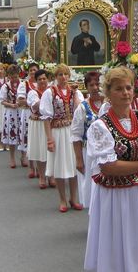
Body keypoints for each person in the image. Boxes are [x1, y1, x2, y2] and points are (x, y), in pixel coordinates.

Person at [84, 66, 138, 272]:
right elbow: (108, 167)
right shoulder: (100, 126)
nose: (126, 93)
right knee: (120, 246)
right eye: (119, 89)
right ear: (108, 94)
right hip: (117, 197)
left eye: (129, 88)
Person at [40, 64, 84, 212]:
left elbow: (79, 111)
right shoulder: (49, 92)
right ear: (55, 77)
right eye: (60, 75)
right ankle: (62, 199)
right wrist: (49, 139)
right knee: (60, 166)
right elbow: (46, 118)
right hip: (58, 132)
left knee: (74, 165)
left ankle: (73, 197)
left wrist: (76, 95)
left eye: (66, 74)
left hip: (72, 131)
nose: (63, 77)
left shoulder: (74, 92)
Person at [71, 71, 103, 208]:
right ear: (87, 87)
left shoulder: (111, 104)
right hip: (89, 153)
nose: (95, 88)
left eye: (98, 84)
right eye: (91, 85)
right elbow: (76, 134)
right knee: (92, 188)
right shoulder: (82, 108)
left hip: (109, 153)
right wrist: (79, 159)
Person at [27, 68, 52, 188]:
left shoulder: (52, 91)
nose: (42, 81)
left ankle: (51, 175)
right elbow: (36, 107)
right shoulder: (33, 93)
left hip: (50, 123)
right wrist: (46, 98)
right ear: (36, 81)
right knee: (40, 150)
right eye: (40, 79)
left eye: (44, 79)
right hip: (38, 124)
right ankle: (42, 176)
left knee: (50, 149)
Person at [0, 65, 24, 168]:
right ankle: (12, 158)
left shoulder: (22, 84)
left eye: (16, 76)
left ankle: (23, 156)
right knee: (12, 134)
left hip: (21, 111)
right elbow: (2, 100)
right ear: (8, 76)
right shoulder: (5, 86)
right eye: (12, 76)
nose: (14, 78)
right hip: (11, 112)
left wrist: (21, 103)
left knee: (22, 133)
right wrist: (11, 105)